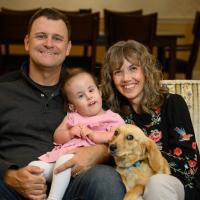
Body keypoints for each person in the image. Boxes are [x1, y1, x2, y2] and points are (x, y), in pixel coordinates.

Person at [0, 8, 126, 200]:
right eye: (41, 36)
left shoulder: (84, 89)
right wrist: (9, 175)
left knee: (105, 178)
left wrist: (100, 152)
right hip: (12, 187)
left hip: (73, 184)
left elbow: (117, 132)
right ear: (27, 42)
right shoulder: (4, 90)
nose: (49, 44)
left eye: (57, 38)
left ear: (67, 48)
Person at [101, 40, 200, 200]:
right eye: (118, 72)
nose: (126, 78)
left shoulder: (173, 103)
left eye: (133, 68)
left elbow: (190, 166)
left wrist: (147, 151)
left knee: (156, 183)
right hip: (132, 188)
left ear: (145, 71)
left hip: (176, 186)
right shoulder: (113, 114)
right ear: (111, 78)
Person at [30, 69, 124, 200]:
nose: (89, 96)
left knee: (65, 161)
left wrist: (93, 135)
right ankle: (58, 178)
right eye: (81, 96)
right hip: (61, 161)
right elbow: (57, 136)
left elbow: (117, 137)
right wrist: (69, 133)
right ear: (72, 107)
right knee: (33, 166)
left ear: (100, 92)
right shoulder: (73, 117)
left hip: (85, 165)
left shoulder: (111, 118)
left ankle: (54, 198)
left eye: (91, 90)